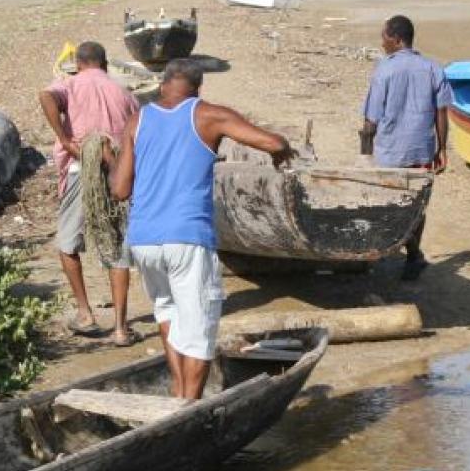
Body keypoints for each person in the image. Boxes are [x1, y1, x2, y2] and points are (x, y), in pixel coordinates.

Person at [109, 59, 292, 399]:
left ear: (162, 84)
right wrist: (284, 151)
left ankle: (179, 395)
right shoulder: (207, 114)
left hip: (144, 240)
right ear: (198, 88)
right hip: (187, 238)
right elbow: (273, 143)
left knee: (168, 315)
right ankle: (190, 408)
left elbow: (119, 189)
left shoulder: (137, 120)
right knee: (198, 328)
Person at [38, 41, 140, 346]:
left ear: (79, 64)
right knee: (117, 247)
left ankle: (85, 314)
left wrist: (67, 140)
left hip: (79, 171)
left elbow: (45, 96)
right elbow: (136, 136)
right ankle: (121, 329)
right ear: (105, 65)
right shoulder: (125, 93)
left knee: (68, 243)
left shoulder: (69, 83)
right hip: (116, 174)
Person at [361, 15, 453, 280]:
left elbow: (371, 120)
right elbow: (441, 112)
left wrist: (365, 153)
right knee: (416, 205)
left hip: (390, 151)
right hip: (422, 150)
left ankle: (377, 253)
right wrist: (442, 149)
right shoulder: (433, 68)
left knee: (384, 201)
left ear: (397, 39)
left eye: (384, 37)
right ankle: (413, 256)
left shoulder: (385, 69)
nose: (382, 43)